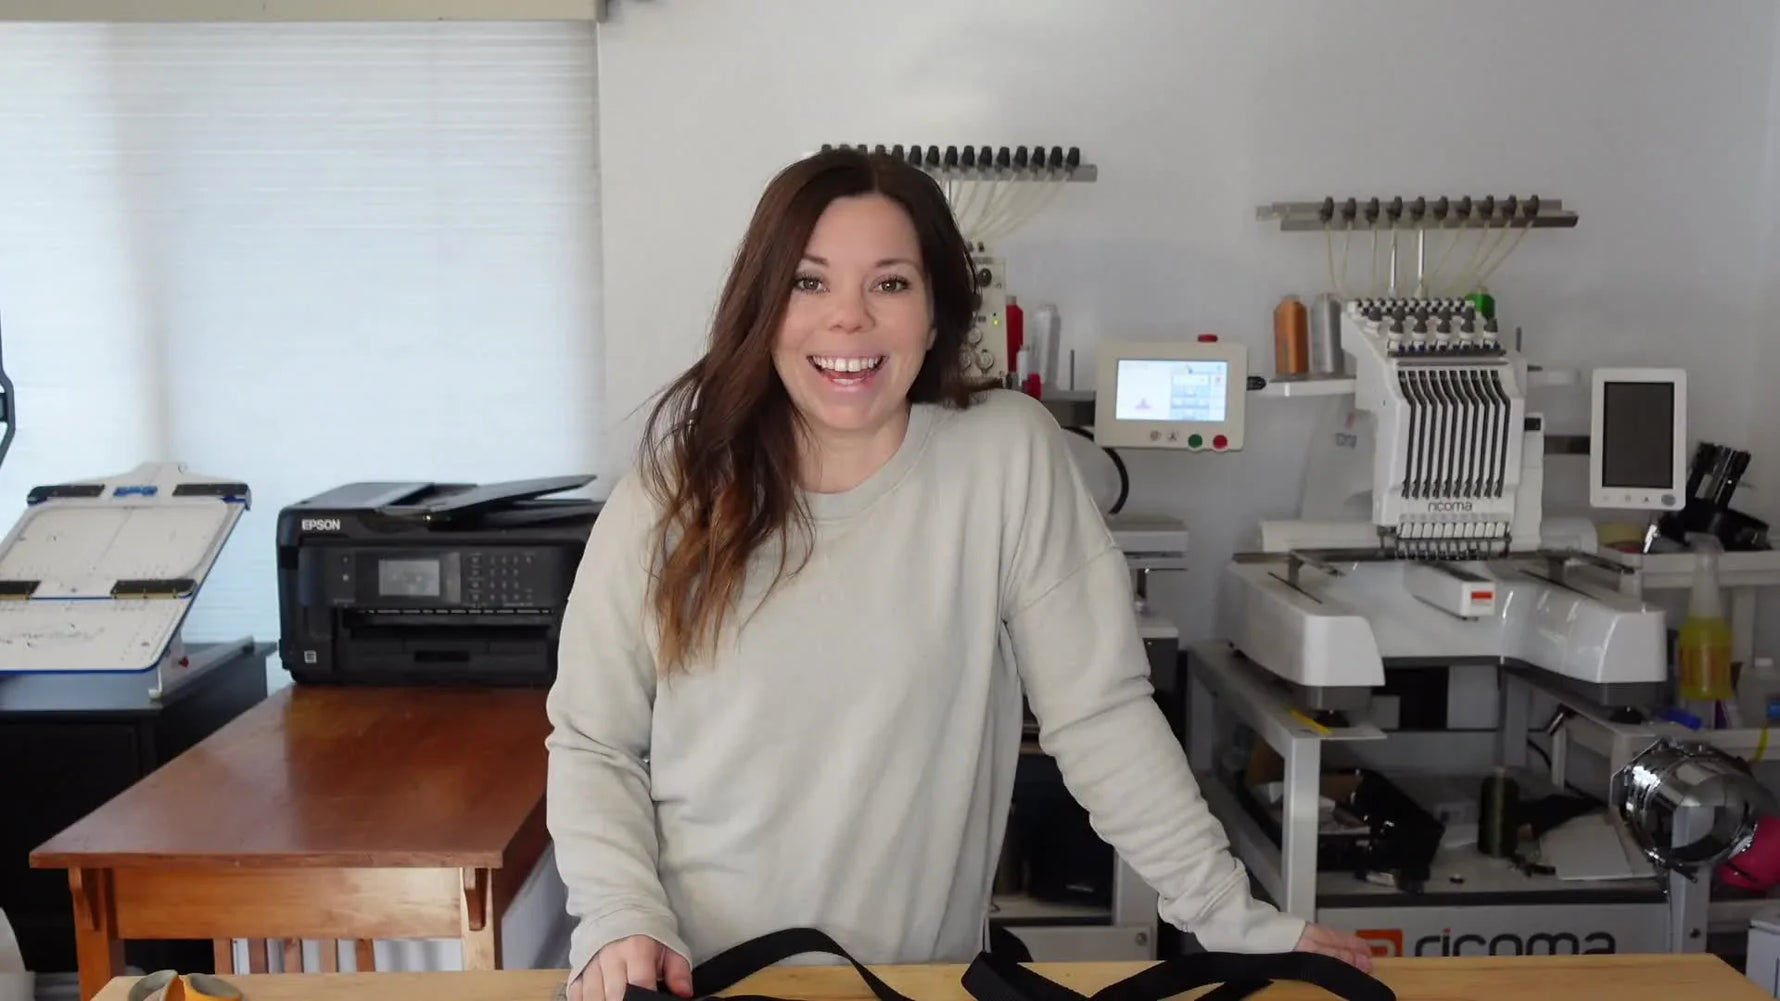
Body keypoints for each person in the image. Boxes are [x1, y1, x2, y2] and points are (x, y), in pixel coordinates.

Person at [544, 147, 1373, 1001]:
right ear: (763, 305)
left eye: (891, 284)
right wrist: (619, 914)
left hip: (915, 984)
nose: (849, 321)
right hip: (697, 978)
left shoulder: (1003, 455)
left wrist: (1227, 913)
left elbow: (1100, 716)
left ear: (936, 313)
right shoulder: (672, 492)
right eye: (809, 282)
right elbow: (595, 741)